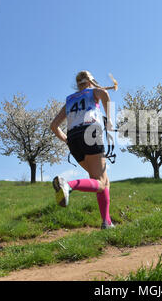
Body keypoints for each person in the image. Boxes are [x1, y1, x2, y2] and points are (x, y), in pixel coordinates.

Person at [50, 71, 115, 230]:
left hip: (73, 139)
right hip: (90, 132)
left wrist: (67, 140)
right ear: (91, 81)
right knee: (100, 182)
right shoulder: (94, 92)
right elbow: (104, 93)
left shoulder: (70, 100)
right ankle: (68, 185)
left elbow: (54, 126)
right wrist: (109, 120)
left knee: (103, 181)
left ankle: (106, 222)